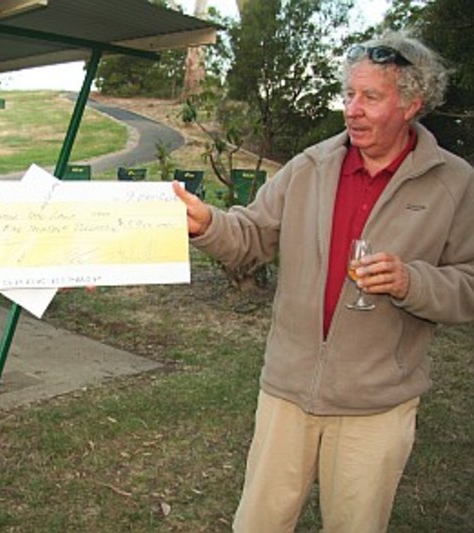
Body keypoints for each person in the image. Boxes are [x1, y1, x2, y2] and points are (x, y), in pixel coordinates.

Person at [174, 32, 474, 532]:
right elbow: (251, 235)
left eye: (370, 97)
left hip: (376, 405)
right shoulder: (309, 167)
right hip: (287, 391)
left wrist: (411, 282)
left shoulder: (455, 183)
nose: (352, 110)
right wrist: (207, 224)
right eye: (349, 94)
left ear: (412, 105)